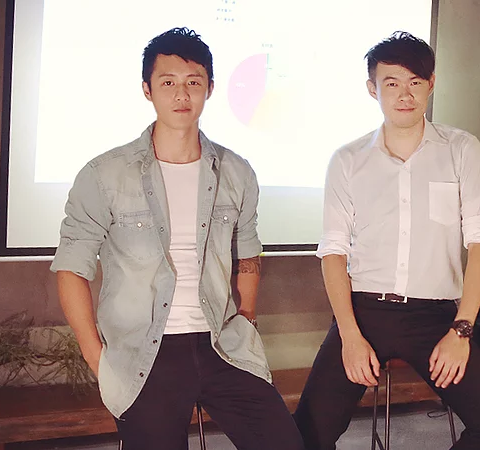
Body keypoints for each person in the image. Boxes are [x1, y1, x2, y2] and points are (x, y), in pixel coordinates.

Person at [50, 27, 303, 450]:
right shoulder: (104, 175)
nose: (181, 95)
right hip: (144, 353)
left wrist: (247, 317)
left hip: (222, 343)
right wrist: (96, 356)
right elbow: (71, 268)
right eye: (168, 83)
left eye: (193, 82)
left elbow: (247, 253)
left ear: (210, 89)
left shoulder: (237, 171)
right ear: (147, 89)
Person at [293, 31, 480, 450]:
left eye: (415, 82)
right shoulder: (347, 160)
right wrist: (349, 336)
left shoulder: (461, 149)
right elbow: (333, 251)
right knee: (307, 434)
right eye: (392, 83)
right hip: (363, 313)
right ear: (373, 88)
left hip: (435, 317)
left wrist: (462, 330)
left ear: (431, 84)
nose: (405, 94)